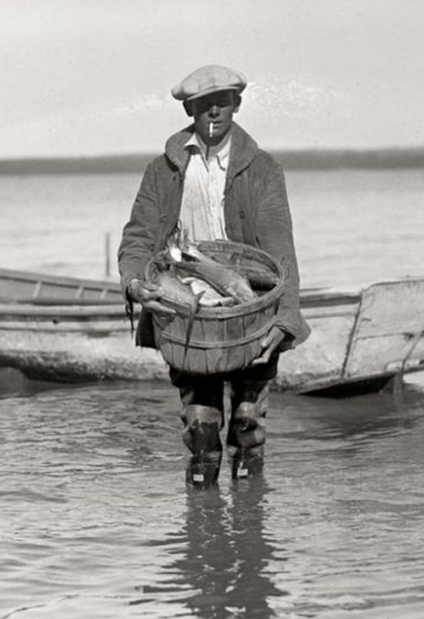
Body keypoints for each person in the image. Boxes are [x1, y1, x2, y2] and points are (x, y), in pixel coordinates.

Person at [118, 64, 310, 486]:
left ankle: (249, 529)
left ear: (236, 105)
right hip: (188, 315)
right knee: (201, 433)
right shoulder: (162, 170)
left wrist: (286, 318)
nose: (213, 113)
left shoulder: (263, 169)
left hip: (252, 311)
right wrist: (135, 285)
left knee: (248, 427)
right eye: (203, 105)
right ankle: (201, 530)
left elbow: (282, 251)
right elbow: (136, 240)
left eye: (222, 103)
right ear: (190, 110)